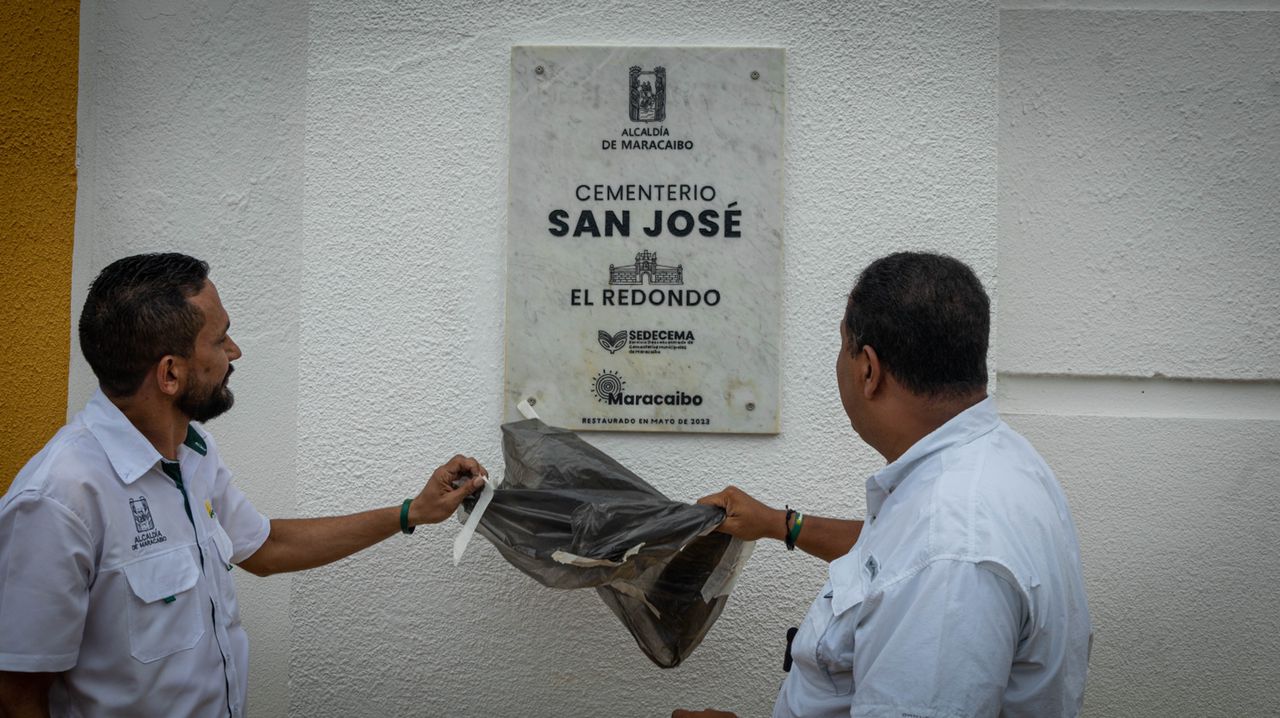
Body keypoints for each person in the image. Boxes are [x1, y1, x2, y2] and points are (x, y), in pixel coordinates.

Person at [0, 253, 487, 718]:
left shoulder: (193, 452)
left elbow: (266, 547)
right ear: (171, 372)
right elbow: (17, 694)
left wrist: (413, 511)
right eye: (220, 340)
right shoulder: (58, 499)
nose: (235, 352)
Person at [674, 252, 1091, 718]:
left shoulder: (950, 555)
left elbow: (926, 563)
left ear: (868, 370)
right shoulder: (991, 459)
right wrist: (780, 524)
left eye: (842, 345)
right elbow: (894, 557)